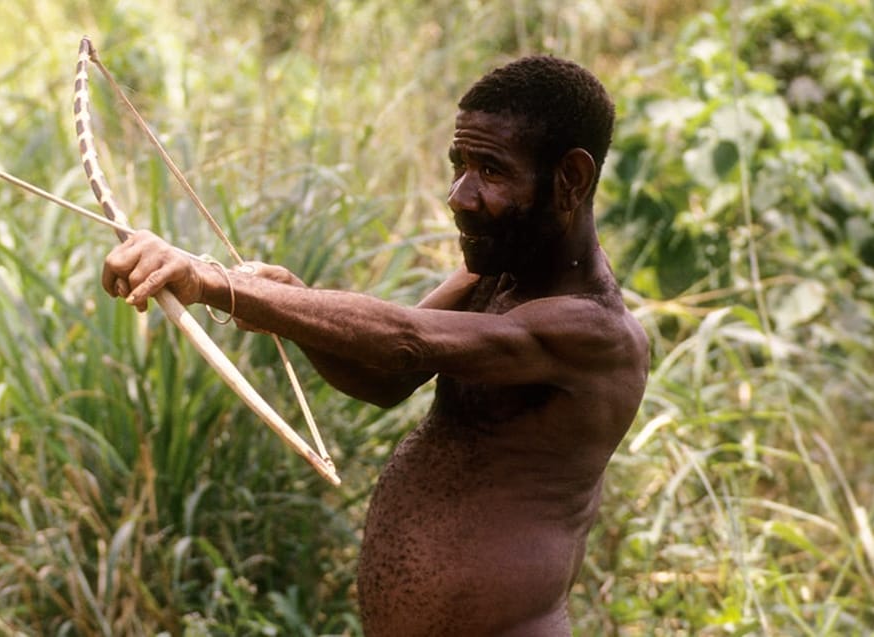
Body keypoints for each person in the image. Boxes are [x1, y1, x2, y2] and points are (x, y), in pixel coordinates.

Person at [101, 55, 649, 636]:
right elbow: (385, 379)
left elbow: (404, 340)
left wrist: (212, 283)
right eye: (457, 166)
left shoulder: (594, 333)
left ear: (571, 179)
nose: (459, 195)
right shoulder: (495, 277)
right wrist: (290, 303)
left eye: (490, 170)